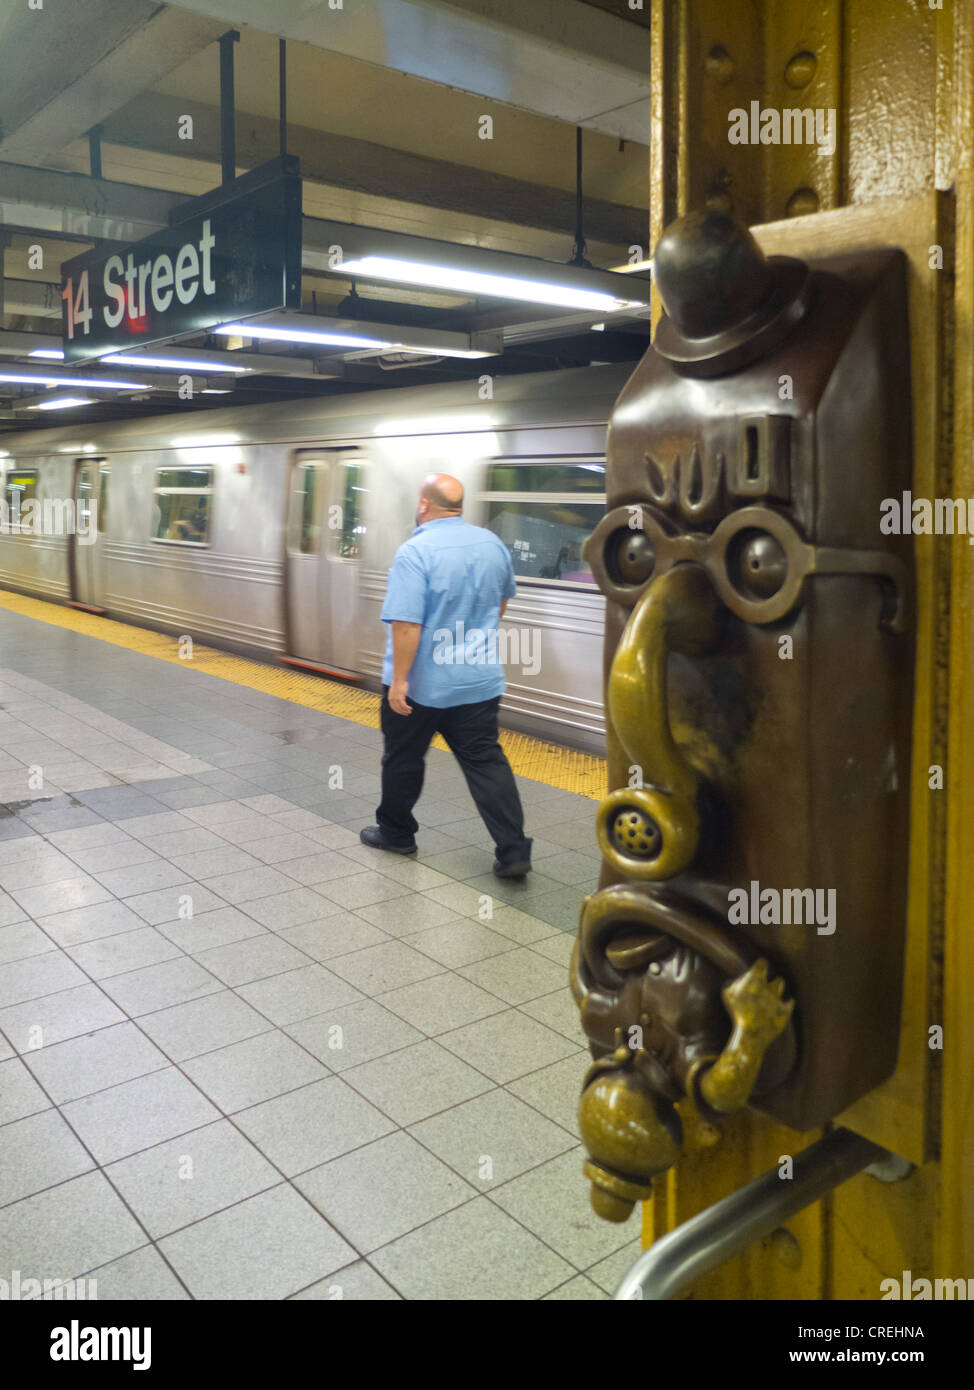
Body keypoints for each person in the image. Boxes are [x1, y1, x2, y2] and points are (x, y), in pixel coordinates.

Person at [360, 472, 533, 878]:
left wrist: (400, 681)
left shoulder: (414, 552)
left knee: (403, 759)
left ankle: (397, 834)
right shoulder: (491, 543)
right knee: (487, 764)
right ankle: (513, 852)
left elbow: (406, 624)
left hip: (424, 687)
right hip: (478, 681)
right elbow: (501, 601)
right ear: (459, 506)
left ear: (423, 505)